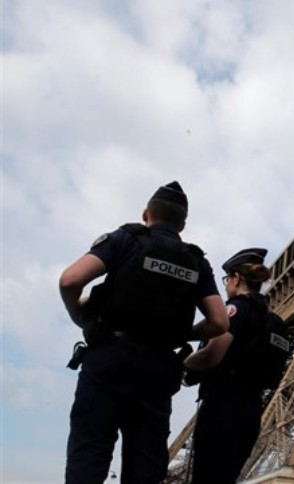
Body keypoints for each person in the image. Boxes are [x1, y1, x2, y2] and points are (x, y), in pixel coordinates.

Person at [59, 181, 229, 483]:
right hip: (159, 366)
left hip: (109, 358)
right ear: (183, 224)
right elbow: (219, 322)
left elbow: (70, 280)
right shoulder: (196, 260)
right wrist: (180, 333)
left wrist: (82, 318)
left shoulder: (126, 239)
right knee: (146, 465)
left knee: (89, 454)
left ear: (146, 214)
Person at [185, 248, 291, 484]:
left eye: (227, 280)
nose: (225, 286)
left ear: (236, 278)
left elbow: (212, 354)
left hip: (223, 405)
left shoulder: (235, 310)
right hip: (251, 410)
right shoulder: (275, 323)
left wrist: (183, 365)